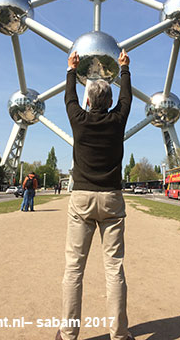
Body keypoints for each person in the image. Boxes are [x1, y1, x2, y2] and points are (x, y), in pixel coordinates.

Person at [56, 50, 134, 340]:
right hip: (112, 198)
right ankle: (119, 333)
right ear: (110, 101)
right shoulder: (117, 121)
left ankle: (68, 334)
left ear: (88, 101)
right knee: (114, 268)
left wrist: (70, 70)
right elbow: (127, 100)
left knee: (74, 269)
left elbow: (69, 99)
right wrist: (124, 69)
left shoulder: (79, 120)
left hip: (82, 199)